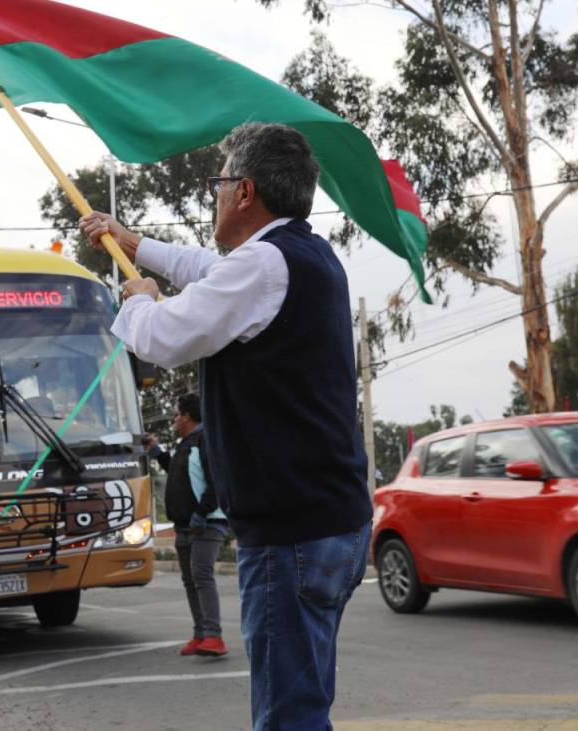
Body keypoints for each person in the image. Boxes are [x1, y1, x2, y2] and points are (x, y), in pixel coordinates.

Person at [80, 122, 372, 729]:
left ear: (244, 191)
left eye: (217, 184)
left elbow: (161, 337)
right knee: (306, 702)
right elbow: (208, 269)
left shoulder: (264, 264)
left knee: (288, 715)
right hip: (331, 521)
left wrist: (137, 297)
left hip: (289, 533)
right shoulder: (303, 254)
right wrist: (132, 242)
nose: (213, 196)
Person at [146, 393, 228, 657]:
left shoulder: (205, 441)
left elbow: (217, 481)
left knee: (201, 576)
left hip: (207, 523)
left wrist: (201, 513)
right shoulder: (187, 443)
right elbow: (180, 474)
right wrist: (157, 451)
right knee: (191, 581)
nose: (174, 419)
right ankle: (201, 634)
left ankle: (214, 637)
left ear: (188, 416)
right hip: (185, 526)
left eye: (177, 414)